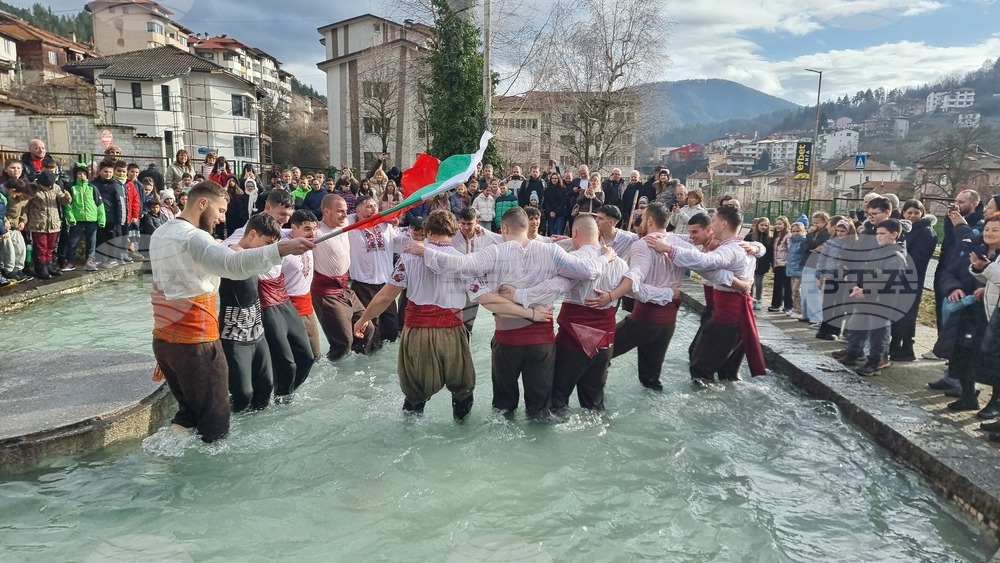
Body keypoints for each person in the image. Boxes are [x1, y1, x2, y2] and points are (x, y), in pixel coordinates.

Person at [408, 207, 614, 418]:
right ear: (528, 226)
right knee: (540, 410)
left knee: (503, 409)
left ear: (504, 228)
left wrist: (426, 251)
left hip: (507, 340)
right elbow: (587, 271)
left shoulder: (496, 251)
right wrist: (605, 258)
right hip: (541, 340)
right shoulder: (551, 251)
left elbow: (460, 265)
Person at [148, 181, 313, 442]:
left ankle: (161, 462)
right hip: (196, 342)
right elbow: (232, 264)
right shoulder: (193, 237)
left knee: (189, 415)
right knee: (216, 424)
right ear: (203, 203)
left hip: (166, 341)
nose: (222, 218)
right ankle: (209, 479)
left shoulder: (161, 233)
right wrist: (280, 249)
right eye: (221, 210)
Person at [352, 211, 492, 418]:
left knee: (415, 394)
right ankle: (459, 433)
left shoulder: (408, 258)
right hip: (452, 333)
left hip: (418, 333)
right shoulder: (463, 261)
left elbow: (385, 297)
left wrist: (364, 319)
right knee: (463, 391)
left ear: (427, 231)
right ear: (454, 232)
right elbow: (486, 298)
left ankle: (408, 437)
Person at [503, 214, 628, 410]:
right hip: (606, 340)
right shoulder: (619, 262)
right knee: (594, 400)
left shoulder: (574, 260)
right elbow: (633, 288)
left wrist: (520, 294)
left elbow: (556, 285)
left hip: (575, 339)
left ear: (575, 232)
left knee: (558, 397)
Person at [653, 205, 767, 382]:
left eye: (713, 220)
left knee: (700, 369)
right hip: (734, 316)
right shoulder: (741, 245)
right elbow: (707, 264)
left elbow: (705, 263)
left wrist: (669, 250)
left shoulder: (731, 249)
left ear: (723, 224)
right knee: (725, 372)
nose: (711, 224)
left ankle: (702, 405)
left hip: (727, 319)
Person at [585, 203, 692, 390]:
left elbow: (634, 282)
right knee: (651, 380)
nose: (640, 222)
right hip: (668, 323)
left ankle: (595, 406)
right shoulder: (679, 242)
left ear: (650, 220)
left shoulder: (642, 245)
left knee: (597, 354)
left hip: (645, 320)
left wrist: (612, 294)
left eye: (642, 219)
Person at [223, 191, 315, 401]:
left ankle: (285, 393)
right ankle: (281, 399)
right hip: (264, 300)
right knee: (286, 362)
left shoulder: (281, 232)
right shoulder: (248, 230)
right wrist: (235, 249)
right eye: (281, 214)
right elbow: (226, 251)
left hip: (283, 296)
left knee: (306, 357)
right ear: (267, 207)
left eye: (287, 216)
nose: (284, 220)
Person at [219, 213, 279, 413]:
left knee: (266, 387)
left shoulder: (256, 255)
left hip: (257, 331)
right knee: (242, 394)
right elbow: (235, 253)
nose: (267, 249)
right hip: (233, 335)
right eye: (267, 243)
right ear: (252, 234)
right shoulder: (231, 251)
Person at [838, 218, 908, 377]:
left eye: (882, 233)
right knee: (856, 325)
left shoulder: (895, 255)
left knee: (878, 332)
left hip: (881, 301)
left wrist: (866, 290)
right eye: (877, 233)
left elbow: (889, 280)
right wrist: (858, 285)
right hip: (865, 297)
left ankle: (874, 362)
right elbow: (867, 271)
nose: (878, 236)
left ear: (894, 234)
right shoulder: (877, 251)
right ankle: (852, 354)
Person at [312, 194, 375, 360]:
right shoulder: (316, 232)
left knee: (368, 329)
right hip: (326, 293)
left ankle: (361, 367)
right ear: (326, 211)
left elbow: (363, 214)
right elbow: (290, 233)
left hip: (345, 290)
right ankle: (337, 376)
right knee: (343, 343)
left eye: (346, 211)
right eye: (340, 211)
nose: (344, 215)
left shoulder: (346, 222)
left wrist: (389, 219)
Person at [347, 195, 401, 346]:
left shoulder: (385, 226)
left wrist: (387, 218)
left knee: (391, 329)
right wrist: (356, 217)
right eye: (369, 206)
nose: (374, 209)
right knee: (369, 331)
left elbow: (399, 242)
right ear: (357, 210)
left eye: (375, 206)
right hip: (363, 286)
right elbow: (345, 219)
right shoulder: (351, 229)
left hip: (386, 285)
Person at [890, 199, 937, 362]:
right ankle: (895, 344)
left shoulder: (926, 231)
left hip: (912, 278)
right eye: (909, 212)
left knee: (907, 314)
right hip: (898, 277)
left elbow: (918, 258)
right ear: (903, 213)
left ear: (922, 214)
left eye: (916, 213)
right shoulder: (903, 230)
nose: (913, 216)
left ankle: (906, 348)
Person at [451, 207, 503, 333]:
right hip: (454, 284)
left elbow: (505, 240)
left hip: (475, 284)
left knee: (468, 325)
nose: (466, 227)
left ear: (476, 222)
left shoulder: (484, 235)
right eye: (463, 223)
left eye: (470, 224)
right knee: (452, 324)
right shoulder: (452, 234)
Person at [283, 210, 321, 361]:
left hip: (307, 306)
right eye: (306, 229)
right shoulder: (281, 246)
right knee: (294, 358)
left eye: (313, 228)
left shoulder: (311, 241)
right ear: (293, 227)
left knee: (315, 356)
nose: (312, 233)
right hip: (287, 308)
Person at [26, 171, 70, 280]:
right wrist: (25, 221)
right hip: (38, 223)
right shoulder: (32, 188)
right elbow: (26, 206)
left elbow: (62, 201)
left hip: (53, 222)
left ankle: (49, 266)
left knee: (51, 247)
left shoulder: (55, 187)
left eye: (50, 185)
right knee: (41, 248)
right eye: (45, 186)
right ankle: (41, 268)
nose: (48, 187)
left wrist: (67, 198)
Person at [1, 179, 34, 283]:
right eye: (22, 195)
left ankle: (18, 269)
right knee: (9, 250)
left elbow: (23, 210)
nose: (22, 198)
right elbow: (2, 213)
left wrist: (23, 221)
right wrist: (5, 222)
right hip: (5, 228)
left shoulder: (23, 200)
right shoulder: (7, 197)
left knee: (21, 248)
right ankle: (8, 271)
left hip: (15, 227)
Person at [745, 217, 772, 310]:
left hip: (762, 264)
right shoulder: (750, 236)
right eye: (762, 225)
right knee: (750, 282)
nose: (764, 227)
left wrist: (771, 263)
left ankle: (759, 299)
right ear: (757, 225)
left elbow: (770, 252)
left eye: (766, 225)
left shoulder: (769, 238)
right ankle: (750, 298)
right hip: (750, 264)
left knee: (759, 282)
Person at [767, 216, 793, 313]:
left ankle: (788, 305)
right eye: (776, 224)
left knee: (787, 285)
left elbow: (790, 250)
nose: (777, 226)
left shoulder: (788, 236)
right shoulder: (776, 236)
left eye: (780, 224)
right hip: (777, 264)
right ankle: (776, 304)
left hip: (785, 263)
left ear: (785, 224)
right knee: (777, 285)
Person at [785, 221, 807, 317]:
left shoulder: (803, 241)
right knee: (793, 290)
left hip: (799, 269)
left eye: (798, 231)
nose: (795, 233)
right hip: (791, 269)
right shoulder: (791, 241)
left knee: (797, 290)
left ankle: (799, 310)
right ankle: (795, 308)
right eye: (793, 231)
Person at [543, 172, 570, 237]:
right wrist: (550, 212)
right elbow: (546, 202)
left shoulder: (563, 189)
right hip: (550, 214)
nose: (554, 180)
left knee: (559, 233)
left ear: (558, 179)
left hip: (560, 214)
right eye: (552, 178)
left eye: (556, 178)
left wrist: (556, 212)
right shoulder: (547, 190)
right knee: (552, 233)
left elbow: (563, 203)